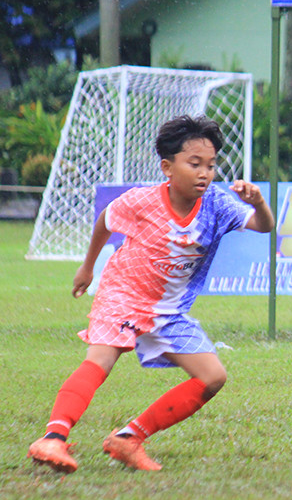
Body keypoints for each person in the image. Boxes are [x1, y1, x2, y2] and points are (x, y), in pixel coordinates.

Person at [27, 115, 275, 473]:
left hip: (169, 311)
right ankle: (53, 438)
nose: (205, 173)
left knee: (213, 377)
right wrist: (87, 267)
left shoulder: (218, 205)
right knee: (100, 361)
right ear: (167, 167)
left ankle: (128, 439)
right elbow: (105, 222)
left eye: (211, 165)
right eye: (194, 164)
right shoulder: (141, 201)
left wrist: (259, 204)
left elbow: (263, 226)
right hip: (123, 294)